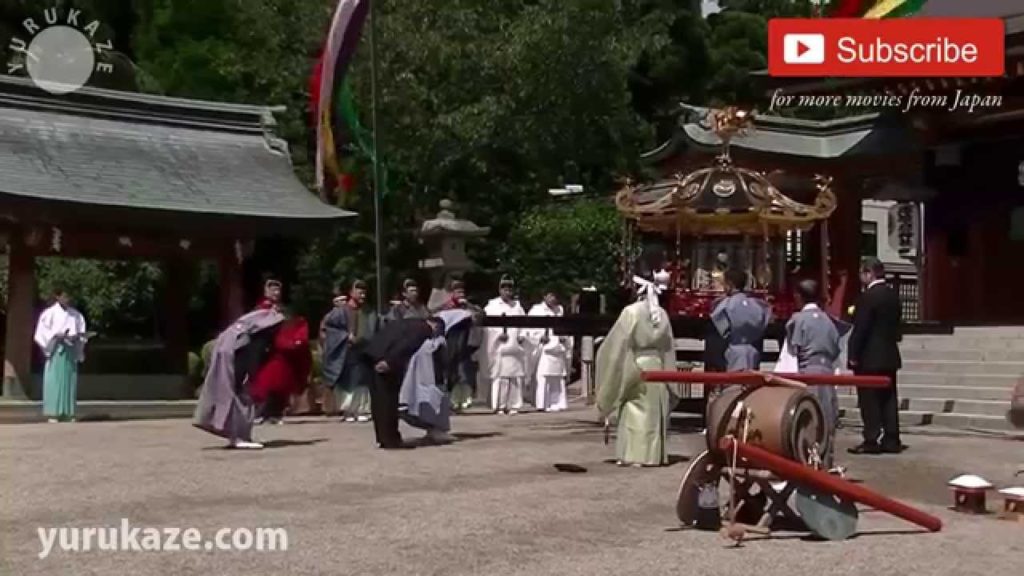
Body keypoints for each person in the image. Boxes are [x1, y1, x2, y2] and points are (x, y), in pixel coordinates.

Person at [596, 270, 679, 467]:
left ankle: (634, 454)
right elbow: (668, 346)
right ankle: (653, 454)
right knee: (652, 410)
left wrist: (608, 362)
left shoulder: (631, 312)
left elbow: (617, 343)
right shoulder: (662, 314)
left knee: (635, 408)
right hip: (658, 365)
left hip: (637, 362)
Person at [781, 279, 851, 469]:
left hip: (806, 375)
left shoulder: (797, 321)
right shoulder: (831, 323)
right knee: (826, 422)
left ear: (798, 296)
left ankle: (805, 465)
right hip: (827, 377)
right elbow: (837, 357)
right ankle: (826, 464)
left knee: (804, 422)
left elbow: (790, 356)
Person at [193, 305, 284, 449]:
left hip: (229, 360)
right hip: (235, 364)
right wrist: (250, 376)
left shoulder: (236, 332)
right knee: (241, 397)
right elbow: (250, 359)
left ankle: (237, 435)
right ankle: (240, 436)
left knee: (234, 394)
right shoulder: (254, 336)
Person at [848, 258, 904, 455]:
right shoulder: (892, 295)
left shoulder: (868, 297)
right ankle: (892, 438)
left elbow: (861, 328)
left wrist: (853, 353)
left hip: (869, 356)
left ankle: (871, 438)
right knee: (889, 398)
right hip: (889, 353)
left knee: (869, 399)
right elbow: (897, 327)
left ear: (869, 273)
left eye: (861, 273)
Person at [364, 315, 445, 449]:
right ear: (435, 325)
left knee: (378, 400)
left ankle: (382, 438)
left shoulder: (406, 322)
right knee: (388, 401)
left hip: (372, 353)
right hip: (386, 360)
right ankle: (391, 439)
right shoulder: (423, 329)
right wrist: (389, 361)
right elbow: (406, 345)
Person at [399, 309, 475, 444]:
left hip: (437, 379)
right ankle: (431, 430)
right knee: (424, 406)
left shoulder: (441, 342)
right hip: (423, 380)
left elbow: (445, 361)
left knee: (437, 405)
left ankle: (438, 430)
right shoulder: (424, 342)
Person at [321, 280, 378, 423]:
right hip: (346, 350)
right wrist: (345, 336)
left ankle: (361, 409)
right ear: (351, 293)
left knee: (362, 380)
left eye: (364, 292)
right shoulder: (340, 312)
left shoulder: (369, 311)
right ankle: (348, 410)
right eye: (359, 291)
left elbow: (375, 329)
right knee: (348, 380)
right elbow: (328, 328)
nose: (362, 295)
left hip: (364, 350)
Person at [33, 288, 88, 423]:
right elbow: (41, 333)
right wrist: (56, 336)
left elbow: (81, 332)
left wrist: (78, 338)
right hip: (56, 350)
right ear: (57, 297)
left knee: (70, 381)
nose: (67, 299)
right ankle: (54, 412)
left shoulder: (76, 315)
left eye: (68, 296)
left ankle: (68, 412)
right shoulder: (49, 313)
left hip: (70, 350)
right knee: (54, 380)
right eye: (64, 296)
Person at [479, 276, 528, 414]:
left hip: (515, 347)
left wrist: (522, 335)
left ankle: (514, 405)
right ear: (500, 290)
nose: (507, 292)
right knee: (501, 378)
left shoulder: (517, 307)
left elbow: (524, 323)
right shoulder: (492, 306)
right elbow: (487, 326)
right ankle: (499, 405)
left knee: (515, 378)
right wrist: (498, 335)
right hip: (499, 347)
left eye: (510, 289)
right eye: (504, 289)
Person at [710, 268, 770, 373]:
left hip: (734, 350)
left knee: (735, 385)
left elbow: (721, 329)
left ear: (729, 284)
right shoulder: (759, 305)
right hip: (753, 351)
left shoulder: (725, 305)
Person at [526, 291, 571, 412]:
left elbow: (565, 328)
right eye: (550, 296)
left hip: (558, 348)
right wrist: (540, 337)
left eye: (555, 296)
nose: (552, 299)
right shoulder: (536, 310)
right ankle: (542, 403)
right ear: (544, 296)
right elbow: (529, 329)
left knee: (558, 378)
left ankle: (557, 403)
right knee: (543, 376)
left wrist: (564, 337)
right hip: (545, 349)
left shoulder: (559, 310)